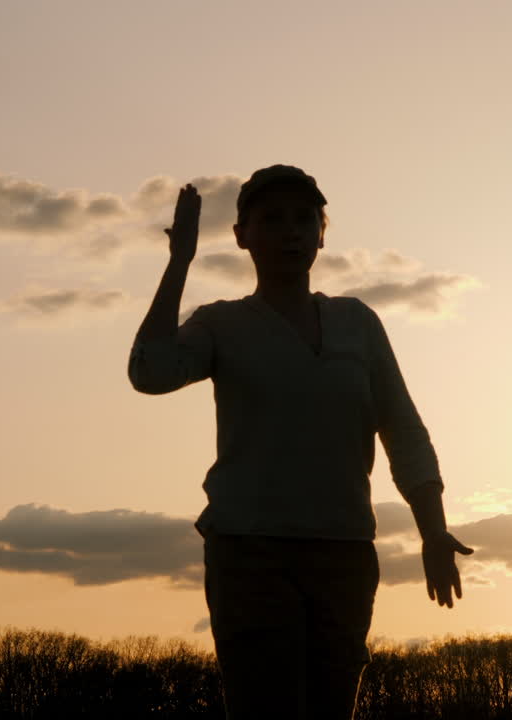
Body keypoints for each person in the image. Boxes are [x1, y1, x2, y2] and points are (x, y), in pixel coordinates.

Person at [129, 165, 473, 720]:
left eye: (303, 219)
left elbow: (403, 429)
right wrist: (179, 262)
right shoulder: (221, 324)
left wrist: (433, 530)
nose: (289, 231)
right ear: (243, 236)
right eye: (271, 219)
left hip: (343, 553)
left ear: (321, 232)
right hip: (248, 553)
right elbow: (150, 371)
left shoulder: (357, 323)